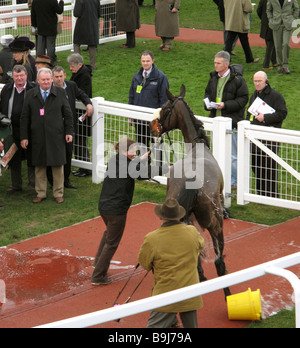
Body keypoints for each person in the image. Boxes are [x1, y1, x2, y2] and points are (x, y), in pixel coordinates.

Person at [91, 137, 168, 285]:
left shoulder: (115, 159)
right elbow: (143, 173)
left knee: (109, 234)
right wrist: (168, 169)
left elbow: (133, 166)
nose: (135, 153)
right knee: (112, 243)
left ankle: (97, 263)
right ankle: (98, 276)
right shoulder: (128, 166)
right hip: (116, 211)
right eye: (133, 151)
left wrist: (142, 158)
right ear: (124, 151)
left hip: (104, 207)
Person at [138, 198, 204, 328]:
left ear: (161, 217)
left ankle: (172, 321)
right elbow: (200, 245)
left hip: (165, 295)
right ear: (179, 216)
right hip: (190, 292)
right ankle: (173, 321)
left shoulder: (152, 238)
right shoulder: (192, 231)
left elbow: (144, 264)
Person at [20, 68, 73, 204]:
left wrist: (69, 132)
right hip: (37, 137)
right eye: (43, 80)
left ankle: (58, 193)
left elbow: (67, 114)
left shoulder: (60, 93)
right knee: (39, 166)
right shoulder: (31, 94)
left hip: (56, 136)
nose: (46, 82)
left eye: (48, 79)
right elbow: (25, 117)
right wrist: (24, 137)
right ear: (38, 80)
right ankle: (41, 193)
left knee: (58, 166)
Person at [204, 50, 249, 189]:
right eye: (215, 63)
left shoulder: (238, 80)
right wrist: (208, 105)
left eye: (218, 63)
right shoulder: (213, 78)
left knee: (233, 155)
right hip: (215, 121)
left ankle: (235, 182)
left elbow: (243, 99)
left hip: (231, 123)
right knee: (216, 153)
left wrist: (225, 105)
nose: (215, 65)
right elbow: (207, 93)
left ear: (226, 64)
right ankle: (220, 180)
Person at [52, 66, 94, 189]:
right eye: (56, 77)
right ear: (53, 77)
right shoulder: (49, 88)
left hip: (68, 127)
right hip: (54, 127)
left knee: (68, 153)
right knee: (54, 154)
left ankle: (66, 181)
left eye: (61, 76)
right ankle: (53, 181)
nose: (59, 79)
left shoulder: (71, 85)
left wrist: (88, 103)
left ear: (64, 75)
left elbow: (82, 94)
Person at [246, 71, 287, 197]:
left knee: (269, 167)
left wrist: (265, 118)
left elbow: (282, 113)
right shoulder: (254, 95)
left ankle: (272, 195)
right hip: (255, 136)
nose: (257, 84)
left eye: (259, 81)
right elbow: (249, 112)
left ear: (266, 81)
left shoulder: (276, 96)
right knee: (256, 165)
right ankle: (261, 193)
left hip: (270, 137)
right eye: (255, 81)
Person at [0, 65, 35, 194]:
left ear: (26, 76)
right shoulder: (7, 89)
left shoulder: (33, 88)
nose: (19, 78)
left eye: (21, 76)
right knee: (14, 157)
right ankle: (16, 185)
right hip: (11, 129)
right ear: (13, 77)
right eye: (16, 76)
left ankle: (32, 186)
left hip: (29, 129)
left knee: (31, 158)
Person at [129, 50, 169, 161]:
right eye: (143, 61)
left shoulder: (160, 77)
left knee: (157, 146)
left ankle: (159, 171)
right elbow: (131, 96)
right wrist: (130, 115)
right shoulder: (136, 77)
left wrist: (161, 118)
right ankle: (143, 170)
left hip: (154, 120)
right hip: (139, 118)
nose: (145, 63)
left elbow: (164, 100)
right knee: (141, 145)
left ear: (153, 61)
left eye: (147, 61)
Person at [67, 53, 92, 178]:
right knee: (78, 140)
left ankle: (86, 168)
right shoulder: (78, 74)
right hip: (78, 113)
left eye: (72, 66)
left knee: (81, 140)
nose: (70, 68)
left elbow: (83, 92)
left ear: (79, 65)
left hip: (82, 114)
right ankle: (82, 167)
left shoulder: (84, 76)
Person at [267, 0, 299, 74]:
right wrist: (270, 19)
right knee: (278, 46)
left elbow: (296, 8)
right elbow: (268, 10)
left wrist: (293, 19)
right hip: (276, 23)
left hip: (287, 24)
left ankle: (285, 66)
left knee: (285, 44)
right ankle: (280, 66)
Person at [30, 0, 64, 65]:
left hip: (40, 27)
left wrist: (34, 25)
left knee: (40, 47)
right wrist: (61, 2)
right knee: (50, 47)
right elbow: (59, 11)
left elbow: (33, 14)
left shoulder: (35, 1)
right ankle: (50, 63)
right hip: (51, 27)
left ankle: (40, 62)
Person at [73, 0, 101, 71]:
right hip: (93, 24)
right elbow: (99, 13)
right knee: (92, 45)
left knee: (76, 43)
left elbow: (76, 13)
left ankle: (77, 65)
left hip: (82, 24)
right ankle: (93, 65)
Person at [257, 0, 277, 70]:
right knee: (271, 45)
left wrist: (263, 19)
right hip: (273, 24)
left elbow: (258, 10)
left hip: (265, 24)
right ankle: (266, 65)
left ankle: (274, 61)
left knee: (271, 44)